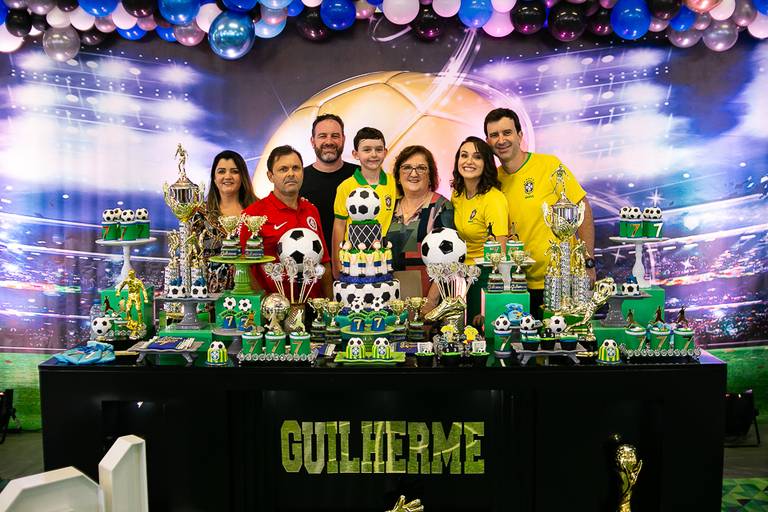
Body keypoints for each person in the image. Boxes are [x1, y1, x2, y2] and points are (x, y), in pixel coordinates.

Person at [484, 108, 595, 319]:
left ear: (520, 135)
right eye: (494, 135)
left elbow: (582, 209)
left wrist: (588, 262)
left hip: (562, 281)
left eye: (507, 133)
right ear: (487, 142)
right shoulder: (491, 182)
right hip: (516, 285)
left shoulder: (549, 165)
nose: (501, 140)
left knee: (565, 339)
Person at [240, 145, 332, 299]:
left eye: (296, 168)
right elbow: (244, 268)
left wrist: (329, 304)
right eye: (283, 169)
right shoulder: (253, 215)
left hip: (312, 304)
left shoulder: (311, 210)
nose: (291, 174)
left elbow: (324, 262)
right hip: (274, 307)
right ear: (270, 176)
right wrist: (265, 303)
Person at [387, 145, 454, 314]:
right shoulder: (388, 208)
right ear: (398, 176)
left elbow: (450, 258)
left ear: (431, 176)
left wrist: (431, 301)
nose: (413, 173)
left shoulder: (441, 207)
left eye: (421, 168)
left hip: (428, 300)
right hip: (390, 299)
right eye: (407, 167)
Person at [451, 136, 510, 325]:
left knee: (478, 333)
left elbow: (500, 253)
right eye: (464, 155)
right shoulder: (457, 194)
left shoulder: (493, 199)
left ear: (486, 163)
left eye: (477, 157)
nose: (469, 161)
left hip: (485, 276)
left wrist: (492, 303)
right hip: (461, 276)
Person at [331, 127, 397, 278]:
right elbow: (339, 225)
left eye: (378, 149)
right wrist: (336, 265)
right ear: (355, 154)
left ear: (385, 152)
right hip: (354, 260)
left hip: (382, 258)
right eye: (367, 150)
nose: (373, 154)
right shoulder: (346, 187)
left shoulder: (393, 183)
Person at [199, 150, 258, 293]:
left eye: (234, 171)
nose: (227, 176)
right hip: (211, 295)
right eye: (221, 171)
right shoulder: (200, 215)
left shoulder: (258, 211)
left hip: (252, 291)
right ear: (214, 178)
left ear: (243, 176)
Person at [300, 114, 357, 250]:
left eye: (335, 136)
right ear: (312, 141)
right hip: (311, 259)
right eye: (322, 136)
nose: (329, 141)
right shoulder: (298, 179)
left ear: (343, 139)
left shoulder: (360, 175)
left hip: (356, 258)